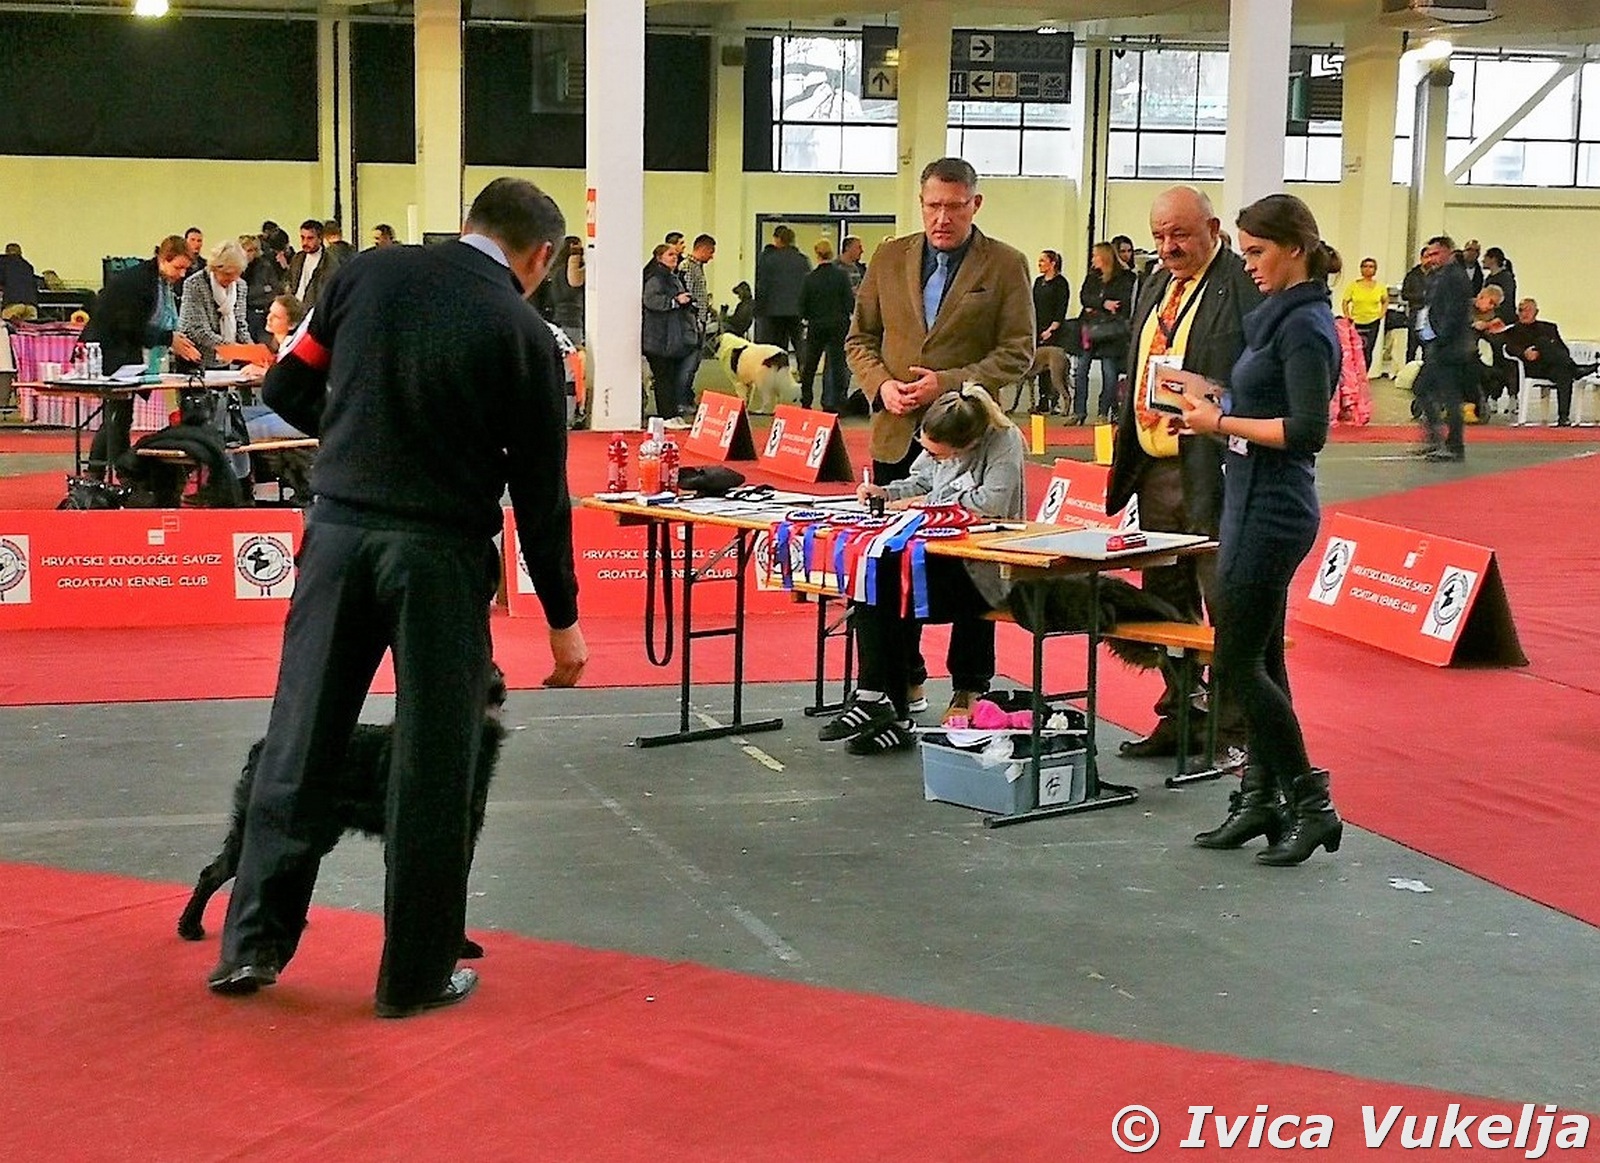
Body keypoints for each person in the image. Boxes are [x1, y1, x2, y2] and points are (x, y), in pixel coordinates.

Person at [208, 177, 587, 1018]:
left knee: (301, 738)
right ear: (541, 256)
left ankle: (252, 944)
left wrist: (359, 425)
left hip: (338, 538)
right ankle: (414, 975)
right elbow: (541, 493)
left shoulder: (366, 273)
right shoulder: (526, 333)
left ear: (467, 224)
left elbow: (284, 388)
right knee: (434, 766)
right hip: (440, 558)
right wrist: (563, 618)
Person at [1158, 192, 1342, 867]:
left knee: (1235, 662)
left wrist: (1220, 422)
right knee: (1262, 659)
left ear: (1296, 248)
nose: (1250, 264)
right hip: (1248, 499)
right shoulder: (1279, 319)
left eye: (1258, 251)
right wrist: (1210, 403)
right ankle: (1261, 796)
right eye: (1244, 252)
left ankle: (1311, 802)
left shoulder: (1306, 327)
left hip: (1274, 509)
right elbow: (1266, 403)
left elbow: (1307, 430)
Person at [845, 156, 1034, 720]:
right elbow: (860, 338)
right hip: (895, 434)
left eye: (954, 206)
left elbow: (1017, 352)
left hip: (970, 436)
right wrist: (881, 386)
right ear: (920, 203)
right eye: (933, 206)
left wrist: (947, 384)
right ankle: (899, 684)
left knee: (969, 567)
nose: (942, 218)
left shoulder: (1005, 264)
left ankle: (970, 684)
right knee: (888, 565)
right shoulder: (888, 257)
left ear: (976, 204)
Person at [1105, 185, 1263, 762]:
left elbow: (1259, 371)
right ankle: (1180, 714)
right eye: (1159, 236)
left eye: (1180, 235)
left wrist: (1219, 404)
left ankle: (1234, 729)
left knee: (1226, 604)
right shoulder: (1155, 282)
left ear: (1213, 230)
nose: (1168, 247)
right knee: (1166, 603)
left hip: (1213, 471)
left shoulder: (1241, 283)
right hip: (1154, 469)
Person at [818, 387, 1025, 754]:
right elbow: (920, 481)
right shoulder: (939, 444)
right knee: (875, 576)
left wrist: (923, 504)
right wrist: (886, 492)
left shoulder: (1003, 441)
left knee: (892, 587)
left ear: (966, 445)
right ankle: (882, 703)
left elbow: (990, 502)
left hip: (984, 569)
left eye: (936, 453)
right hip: (937, 556)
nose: (930, 457)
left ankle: (884, 702)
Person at [80, 234, 203, 480]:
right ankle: (124, 474)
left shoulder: (159, 280)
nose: (181, 274)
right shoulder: (137, 282)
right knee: (119, 417)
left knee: (116, 416)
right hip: (111, 350)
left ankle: (94, 471)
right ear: (164, 259)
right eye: (178, 268)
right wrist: (167, 339)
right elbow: (128, 326)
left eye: (185, 269)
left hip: (126, 349)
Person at [1413, 234, 1475, 462]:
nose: (1431, 259)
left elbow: (1454, 313)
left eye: (1435, 253)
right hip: (1436, 344)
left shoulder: (1455, 277)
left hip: (1449, 347)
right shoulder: (1437, 277)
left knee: (1450, 397)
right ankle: (1435, 438)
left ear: (1449, 252)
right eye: (1428, 254)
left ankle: (1454, 445)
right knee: (1421, 388)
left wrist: (1441, 337)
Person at [1073, 241, 1136, 423]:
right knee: (1081, 369)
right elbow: (1085, 298)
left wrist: (1097, 306)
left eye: (1095, 256)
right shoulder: (1092, 277)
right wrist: (1103, 304)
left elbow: (1122, 303)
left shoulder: (1123, 278)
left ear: (1105, 257)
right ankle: (1079, 412)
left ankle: (1103, 412)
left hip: (1110, 331)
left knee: (1109, 372)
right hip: (1090, 329)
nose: (1093, 259)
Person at [641, 242, 699, 426]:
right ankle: (666, 416)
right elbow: (650, 300)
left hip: (671, 337)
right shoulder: (655, 278)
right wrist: (674, 301)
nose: (674, 257)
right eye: (670, 255)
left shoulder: (672, 278)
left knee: (671, 377)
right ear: (659, 258)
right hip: (658, 337)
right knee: (663, 378)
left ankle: (673, 414)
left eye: (675, 255)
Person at [1500, 297, 1583, 426]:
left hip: (1552, 366)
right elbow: (1509, 348)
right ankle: (1575, 369)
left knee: (1563, 372)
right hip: (1532, 368)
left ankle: (1563, 417)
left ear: (1536, 312)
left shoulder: (1549, 328)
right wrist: (1524, 353)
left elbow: (1563, 350)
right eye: (1521, 310)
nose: (1524, 313)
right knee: (1545, 343)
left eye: (1528, 310)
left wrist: (1540, 350)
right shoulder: (1513, 331)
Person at [798, 238, 854, 412]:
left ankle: (806, 400)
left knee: (810, 365)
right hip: (838, 325)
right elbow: (849, 302)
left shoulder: (809, 278)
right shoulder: (841, 276)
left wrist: (809, 317)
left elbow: (802, 306)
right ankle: (835, 403)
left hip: (816, 325)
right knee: (837, 365)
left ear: (816, 254)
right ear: (831, 253)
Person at [177, 239, 251, 368]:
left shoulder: (240, 285)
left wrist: (251, 350)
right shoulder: (194, 284)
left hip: (226, 358)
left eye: (237, 274)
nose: (233, 278)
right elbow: (198, 330)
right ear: (215, 268)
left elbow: (240, 324)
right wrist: (234, 349)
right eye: (228, 274)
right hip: (195, 358)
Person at [753, 224, 810, 356]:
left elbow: (763, 286)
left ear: (778, 240)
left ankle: (781, 368)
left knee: (778, 347)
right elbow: (808, 286)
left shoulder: (769, 260)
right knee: (800, 345)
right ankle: (804, 368)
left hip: (774, 311)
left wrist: (759, 309)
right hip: (797, 310)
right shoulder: (802, 260)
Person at [1031, 250, 1072, 414]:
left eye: (1043, 261)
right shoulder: (1038, 282)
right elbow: (1032, 304)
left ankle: (1055, 401)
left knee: (1055, 371)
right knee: (1039, 368)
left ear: (1052, 263)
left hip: (1054, 330)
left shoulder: (1061, 283)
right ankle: (1043, 401)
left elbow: (1061, 307)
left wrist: (1051, 329)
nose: (1039, 264)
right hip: (1038, 328)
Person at [1338, 257, 1387, 373]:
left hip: (1373, 321)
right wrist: (1347, 316)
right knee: (1356, 350)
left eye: (1371, 267)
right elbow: (1345, 302)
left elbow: (1385, 301)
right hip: (1356, 322)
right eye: (1365, 266)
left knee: (1368, 350)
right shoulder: (1353, 286)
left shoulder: (1380, 287)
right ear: (1361, 269)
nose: (1368, 269)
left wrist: (1381, 314)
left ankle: (1364, 375)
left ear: (1375, 270)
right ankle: (1354, 374)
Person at [287, 219, 340, 309]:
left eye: (310, 238)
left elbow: (327, 294)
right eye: (302, 238)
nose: (305, 242)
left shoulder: (329, 263)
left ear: (320, 239)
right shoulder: (297, 258)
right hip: (294, 308)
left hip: (314, 310)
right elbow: (290, 281)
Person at [678, 233, 716, 345]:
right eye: (711, 252)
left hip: (699, 321)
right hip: (692, 323)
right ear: (702, 249)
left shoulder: (697, 267)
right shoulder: (687, 266)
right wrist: (695, 320)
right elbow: (687, 294)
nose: (712, 256)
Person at [1400, 248, 1429, 364]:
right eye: (1426, 257)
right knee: (1412, 347)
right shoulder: (1412, 275)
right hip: (1415, 313)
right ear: (1421, 258)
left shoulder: (1437, 275)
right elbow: (1404, 294)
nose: (1429, 260)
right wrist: (1421, 296)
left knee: (1428, 349)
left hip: (1431, 316)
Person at [1, 242, 39, 321]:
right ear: (20, 253)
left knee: (8, 327)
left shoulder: (3, 262)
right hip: (31, 306)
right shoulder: (28, 266)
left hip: (13, 304)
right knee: (30, 328)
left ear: (7, 252)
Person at [1482, 247, 1516, 327]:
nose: (1483, 261)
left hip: (1502, 319)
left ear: (1493, 259)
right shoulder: (1489, 278)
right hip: (1491, 317)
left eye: (1485, 257)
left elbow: (1507, 300)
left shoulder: (1505, 278)